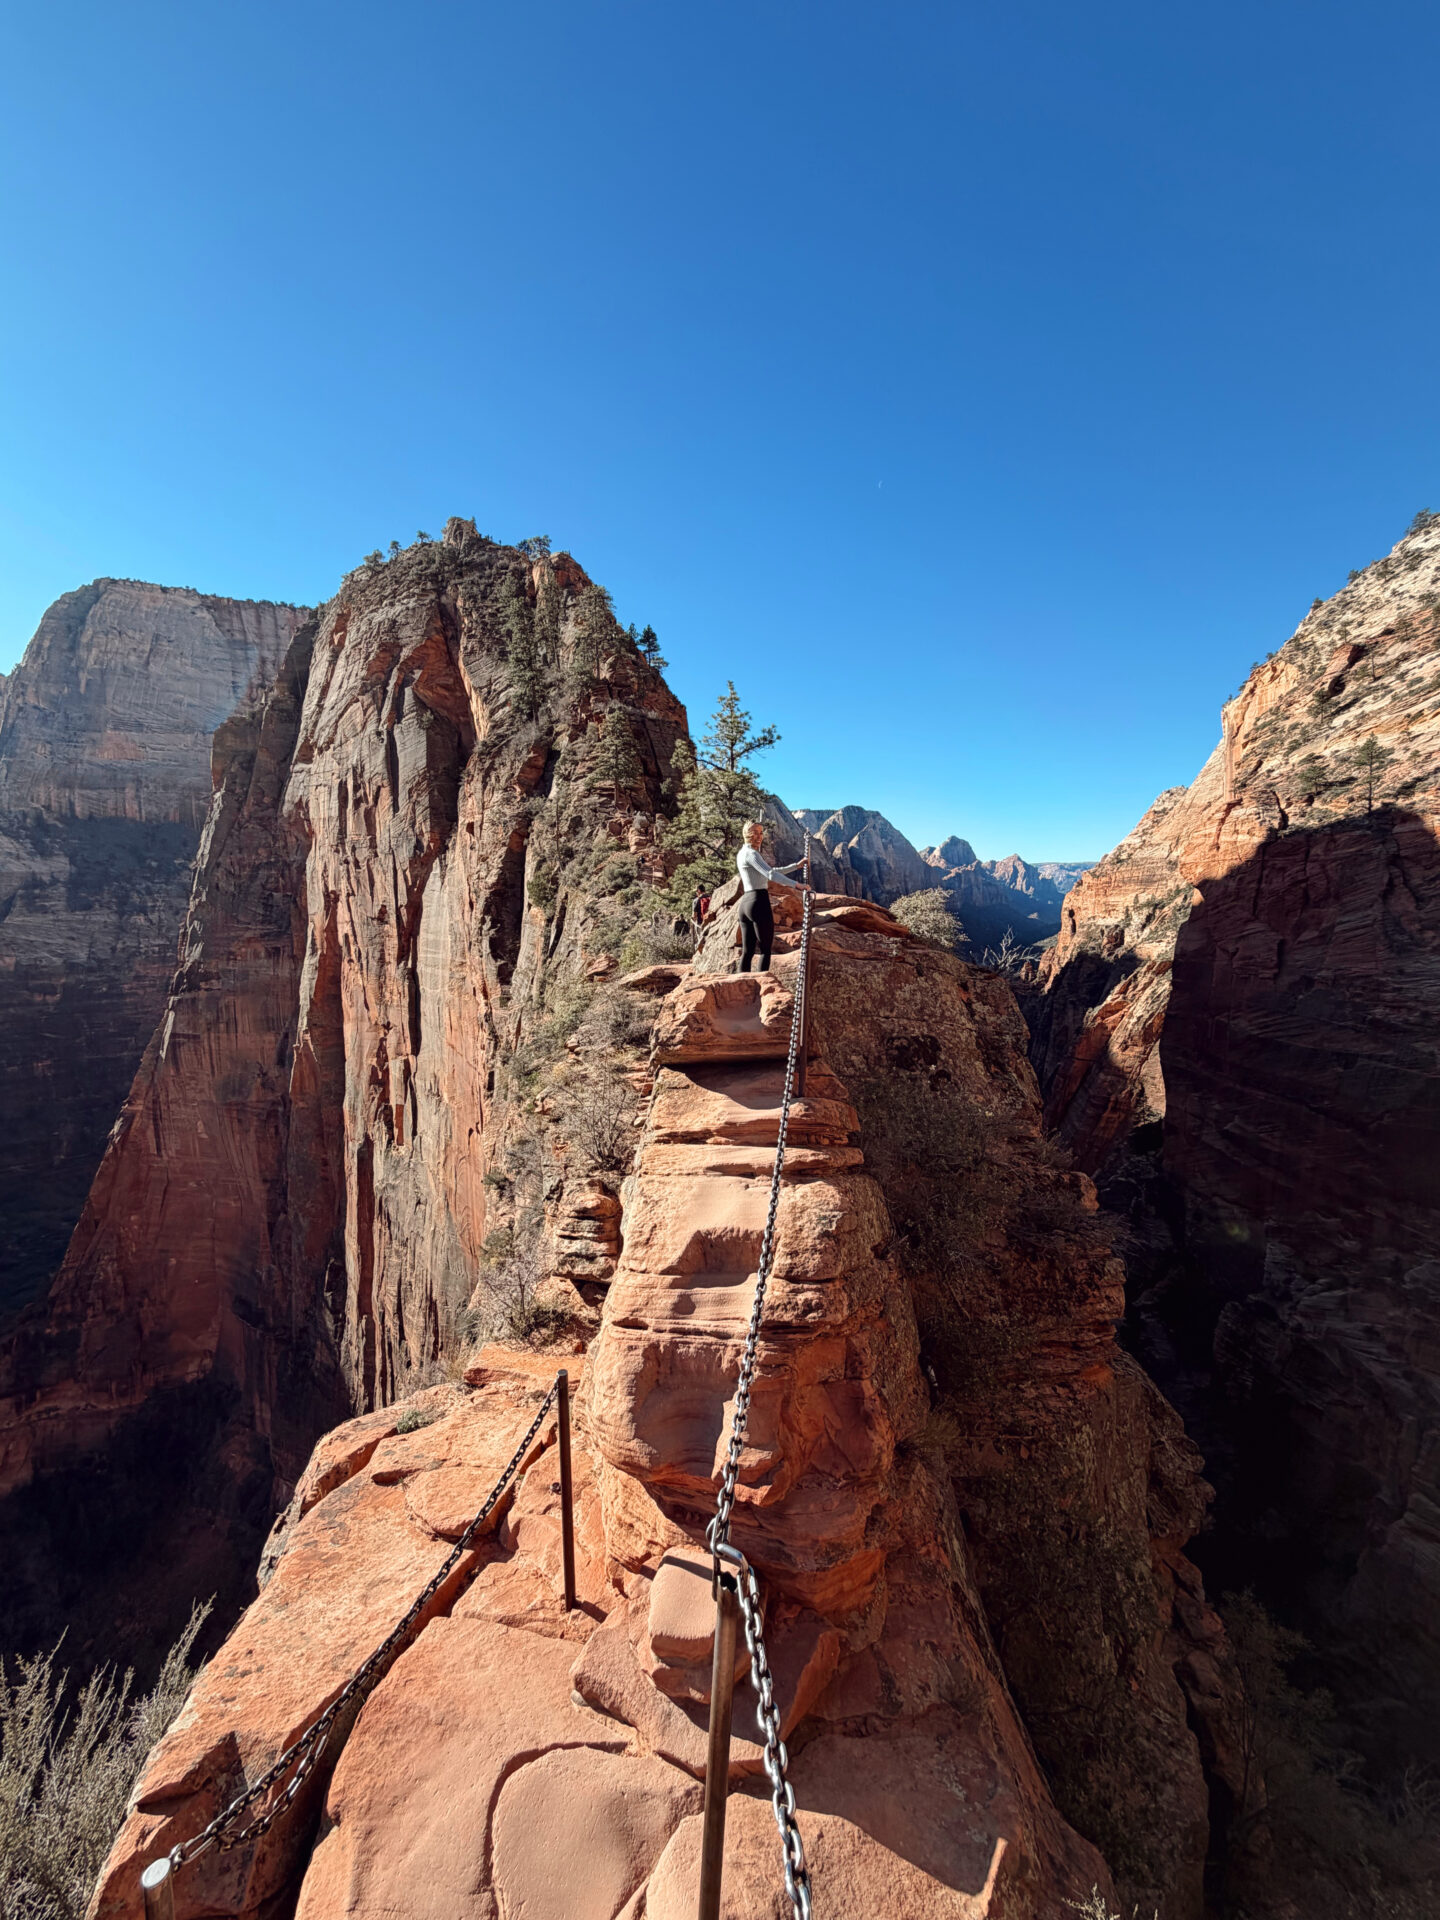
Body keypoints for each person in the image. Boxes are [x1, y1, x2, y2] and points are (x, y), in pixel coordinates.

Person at [735, 821, 805, 972]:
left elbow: (770, 871)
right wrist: (797, 885)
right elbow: (771, 874)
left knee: (748, 951)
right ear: (747, 834)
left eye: (761, 833)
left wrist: (795, 866)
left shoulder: (742, 853)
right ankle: (761, 987)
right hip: (758, 902)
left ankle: (740, 987)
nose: (759, 836)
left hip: (746, 903)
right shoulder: (752, 854)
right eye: (756, 833)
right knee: (766, 949)